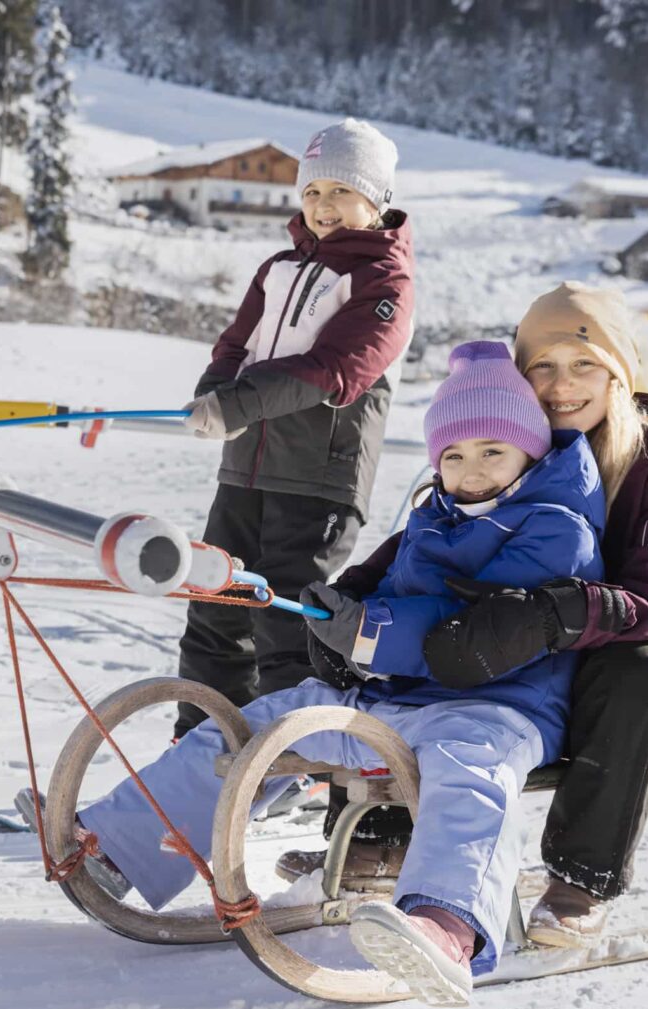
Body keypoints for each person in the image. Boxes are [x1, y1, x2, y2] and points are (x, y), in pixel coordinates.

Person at [74, 341, 605, 1006]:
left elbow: (476, 631)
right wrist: (338, 622)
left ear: (529, 451)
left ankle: (446, 926)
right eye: (454, 456)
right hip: (396, 698)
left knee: (470, 774)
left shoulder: (559, 527)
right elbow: (395, 598)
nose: (470, 472)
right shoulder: (433, 514)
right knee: (262, 722)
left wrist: (369, 631)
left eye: (492, 452)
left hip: (500, 704)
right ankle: (120, 847)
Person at [276, 283, 648, 949]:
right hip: (489, 638)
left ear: (620, 372)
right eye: (543, 367)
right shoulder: (506, 444)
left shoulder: (642, 466)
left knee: (635, 672)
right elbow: (432, 535)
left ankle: (577, 878)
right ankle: (375, 837)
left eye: (584, 364)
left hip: (600, 653)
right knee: (397, 631)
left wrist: (561, 612)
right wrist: (355, 594)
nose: (562, 386)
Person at [174, 118, 414, 741]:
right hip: (246, 469)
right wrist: (213, 394)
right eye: (312, 193)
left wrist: (239, 404)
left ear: (376, 199)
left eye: (340, 192)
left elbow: (334, 368)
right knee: (214, 605)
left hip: (318, 480)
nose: (323, 206)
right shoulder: (278, 267)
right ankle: (200, 749)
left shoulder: (384, 281)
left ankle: (293, 758)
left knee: (283, 619)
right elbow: (236, 344)